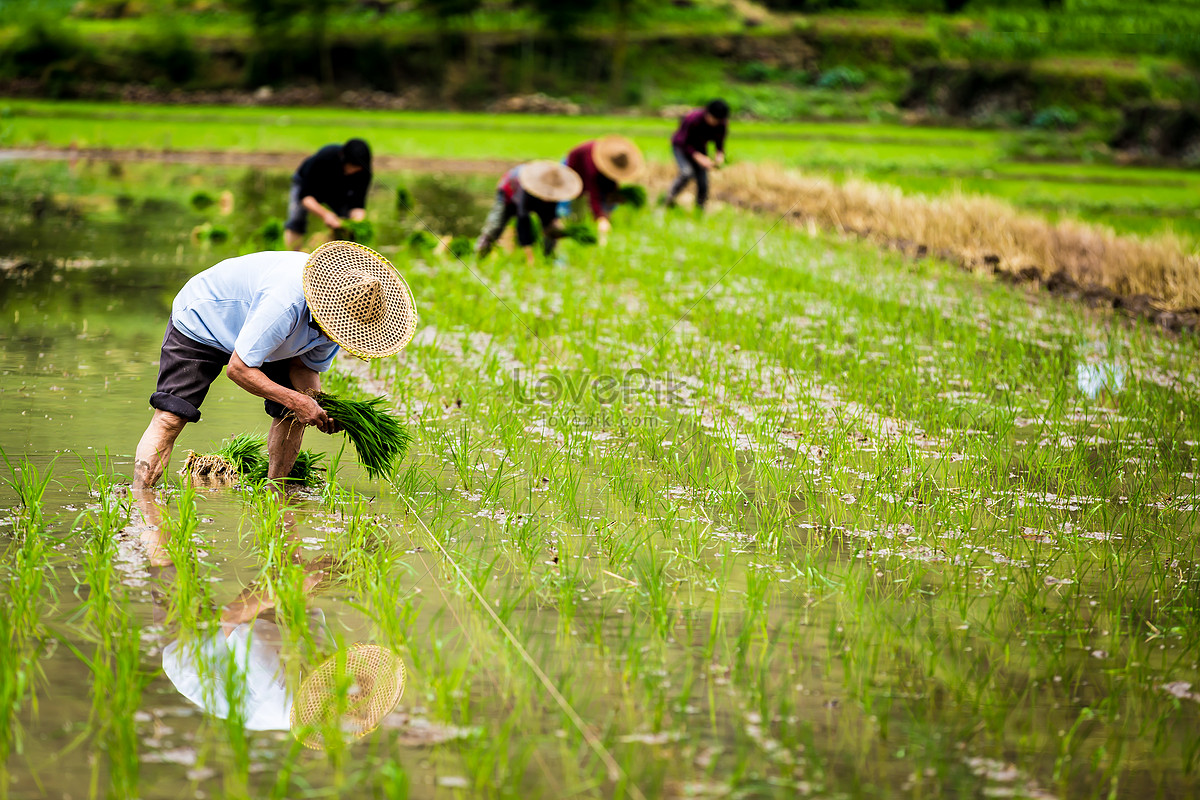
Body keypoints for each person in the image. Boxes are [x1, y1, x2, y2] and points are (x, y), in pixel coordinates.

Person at [131, 240, 417, 495]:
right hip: (205, 318)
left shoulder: (341, 324)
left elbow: (304, 369)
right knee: (171, 416)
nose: (338, 335)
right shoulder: (285, 302)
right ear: (325, 305)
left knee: (292, 414)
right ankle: (140, 500)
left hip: (268, 335)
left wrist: (317, 406)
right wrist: (297, 400)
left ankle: (276, 493)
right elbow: (239, 369)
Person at [475, 160, 582, 265]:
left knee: (551, 228)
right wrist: (529, 256)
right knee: (495, 227)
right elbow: (522, 221)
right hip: (508, 194)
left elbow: (550, 217)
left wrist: (558, 229)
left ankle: (549, 258)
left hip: (534, 198)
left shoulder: (554, 193)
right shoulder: (526, 188)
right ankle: (479, 257)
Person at [285, 139, 373, 251]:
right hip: (308, 184)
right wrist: (326, 214)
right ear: (344, 160)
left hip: (338, 189)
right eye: (351, 167)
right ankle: (294, 256)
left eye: (357, 169)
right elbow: (306, 197)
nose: (353, 171)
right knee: (296, 221)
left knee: (344, 227)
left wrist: (355, 223)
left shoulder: (364, 171)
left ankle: (331, 259)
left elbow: (357, 204)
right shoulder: (325, 157)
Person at [561, 136, 645, 247]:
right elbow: (592, 192)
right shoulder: (591, 165)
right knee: (573, 206)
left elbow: (611, 182)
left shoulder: (611, 161)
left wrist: (614, 198)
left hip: (594, 174)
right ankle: (571, 231)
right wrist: (600, 217)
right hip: (573, 168)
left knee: (607, 200)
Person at [665, 99, 730, 212]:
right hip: (681, 147)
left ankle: (700, 210)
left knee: (703, 181)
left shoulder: (721, 124)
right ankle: (667, 201)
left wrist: (719, 155)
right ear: (707, 113)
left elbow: (720, 143)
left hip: (700, 148)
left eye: (718, 121)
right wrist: (698, 157)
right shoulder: (692, 119)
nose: (715, 123)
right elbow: (682, 142)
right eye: (714, 119)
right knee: (686, 172)